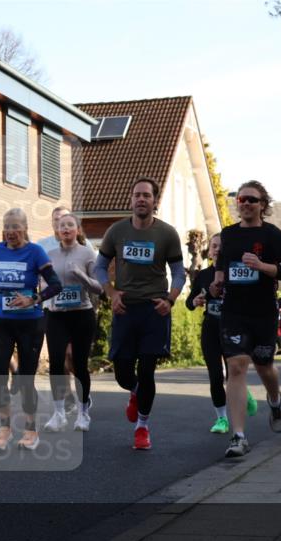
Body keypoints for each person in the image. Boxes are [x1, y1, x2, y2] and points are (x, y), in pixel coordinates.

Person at [94, 177, 186, 450]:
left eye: (147, 195)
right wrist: (111, 293)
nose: (142, 199)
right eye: (137, 195)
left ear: (154, 201)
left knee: (147, 371)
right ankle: (135, 393)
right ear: (131, 200)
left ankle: (142, 427)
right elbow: (100, 267)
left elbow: (179, 272)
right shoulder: (116, 231)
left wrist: (170, 300)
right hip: (125, 308)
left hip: (154, 310)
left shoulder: (167, 234)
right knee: (123, 373)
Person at [210, 180, 281, 457]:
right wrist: (217, 283)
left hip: (263, 312)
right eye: (241, 199)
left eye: (252, 199)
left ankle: (275, 400)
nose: (246, 203)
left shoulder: (273, 235)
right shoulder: (228, 235)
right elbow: (222, 267)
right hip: (233, 311)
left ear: (263, 204)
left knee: (264, 367)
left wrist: (262, 266)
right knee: (236, 366)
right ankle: (238, 436)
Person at [0, 208, 62, 450]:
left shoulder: (35, 252)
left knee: (26, 379)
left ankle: (30, 430)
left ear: (25, 228)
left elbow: (55, 285)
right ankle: (4, 428)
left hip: (30, 324)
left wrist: (33, 299)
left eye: (15, 227)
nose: (10, 232)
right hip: (1, 323)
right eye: (6, 227)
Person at [188, 233, 257, 433]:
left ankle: (244, 391)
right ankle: (222, 419)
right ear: (209, 251)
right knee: (215, 375)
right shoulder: (202, 275)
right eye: (214, 246)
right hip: (210, 328)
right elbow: (190, 302)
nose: (217, 249)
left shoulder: (235, 272)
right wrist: (195, 301)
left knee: (233, 371)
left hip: (232, 327)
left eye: (221, 246)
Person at [42, 213, 102, 432]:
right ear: (57, 230)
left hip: (82, 315)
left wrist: (82, 277)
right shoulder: (49, 255)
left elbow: (99, 287)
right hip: (57, 315)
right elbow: (43, 285)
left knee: (79, 364)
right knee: (57, 364)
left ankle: (83, 413)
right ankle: (58, 414)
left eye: (70, 225)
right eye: (61, 225)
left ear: (77, 229)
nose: (65, 228)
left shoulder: (88, 253)